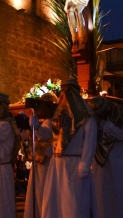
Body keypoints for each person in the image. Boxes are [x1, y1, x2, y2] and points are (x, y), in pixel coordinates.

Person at [41, 78, 98, 218]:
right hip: (57, 164)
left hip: (74, 165)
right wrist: (36, 126)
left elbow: (90, 142)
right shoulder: (56, 116)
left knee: (74, 204)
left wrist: (85, 164)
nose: (65, 94)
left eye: (69, 91)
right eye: (63, 90)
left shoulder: (87, 116)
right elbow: (46, 134)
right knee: (55, 203)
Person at [89, 95, 123, 218]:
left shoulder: (120, 114)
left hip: (119, 157)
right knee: (101, 192)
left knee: (119, 192)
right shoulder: (94, 117)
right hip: (100, 159)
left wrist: (109, 127)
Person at [23, 93, 56, 218]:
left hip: (47, 162)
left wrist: (36, 126)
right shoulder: (46, 121)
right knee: (37, 192)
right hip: (39, 160)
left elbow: (45, 134)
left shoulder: (53, 121)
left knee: (43, 192)